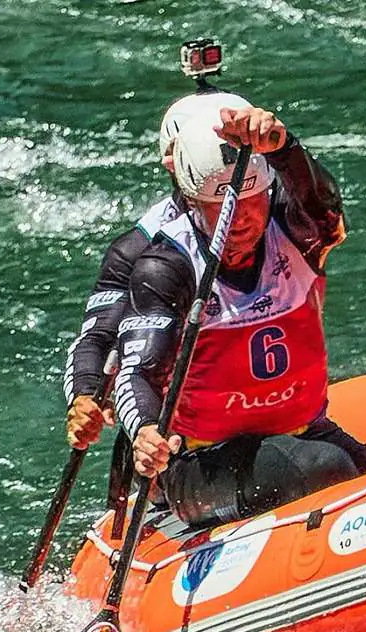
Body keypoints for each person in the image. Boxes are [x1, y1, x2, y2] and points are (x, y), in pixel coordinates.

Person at [114, 107, 366, 526]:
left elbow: (324, 205)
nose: (241, 217)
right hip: (200, 461)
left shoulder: (297, 236)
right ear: (191, 202)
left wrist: (283, 148)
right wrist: (146, 432)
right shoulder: (168, 266)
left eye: (251, 199)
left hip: (304, 432)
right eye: (221, 204)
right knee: (324, 467)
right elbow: (136, 372)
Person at [63, 91, 252, 450]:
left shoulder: (274, 219)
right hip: (181, 436)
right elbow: (97, 338)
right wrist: (85, 396)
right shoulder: (142, 251)